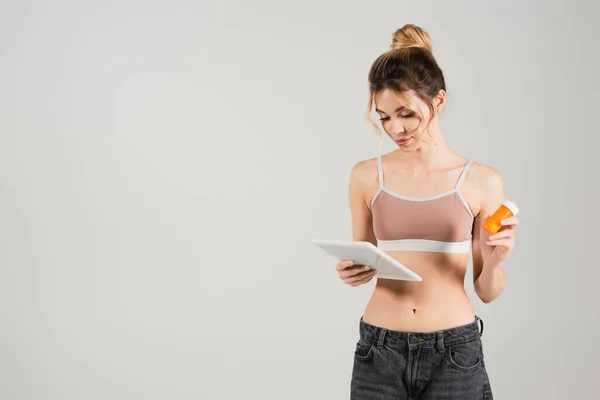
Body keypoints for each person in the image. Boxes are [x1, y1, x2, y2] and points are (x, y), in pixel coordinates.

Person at [336, 24, 519, 400]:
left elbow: (487, 291)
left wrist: (496, 261)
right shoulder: (366, 176)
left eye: (406, 114)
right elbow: (366, 260)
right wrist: (354, 269)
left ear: (438, 101)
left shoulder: (481, 181)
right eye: (384, 118)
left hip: (454, 354)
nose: (396, 129)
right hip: (378, 350)